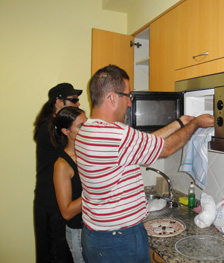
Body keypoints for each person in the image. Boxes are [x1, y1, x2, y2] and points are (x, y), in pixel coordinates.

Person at [75, 65, 214, 263]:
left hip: (96, 235)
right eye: (128, 96)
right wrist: (196, 124)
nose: (130, 103)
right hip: (120, 240)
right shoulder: (116, 135)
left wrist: (180, 123)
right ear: (113, 97)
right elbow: (165, 149)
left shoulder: (88, 130)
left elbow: (146, 142)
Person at [33, 83, 82, 263]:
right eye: (73, 100)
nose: (77, 104)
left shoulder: (54, 126)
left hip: (59, 203)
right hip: (52, 206)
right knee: (55, 256)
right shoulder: (51, 128)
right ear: (58, 102)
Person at [49, 107, 87, 263]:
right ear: (65, 131)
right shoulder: (62, 165)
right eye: (81, 126)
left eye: (87, 123)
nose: (87, 129)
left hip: (95, 228)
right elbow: (67, 212)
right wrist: (96, 191)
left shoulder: (88, 152)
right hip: (79, 233)